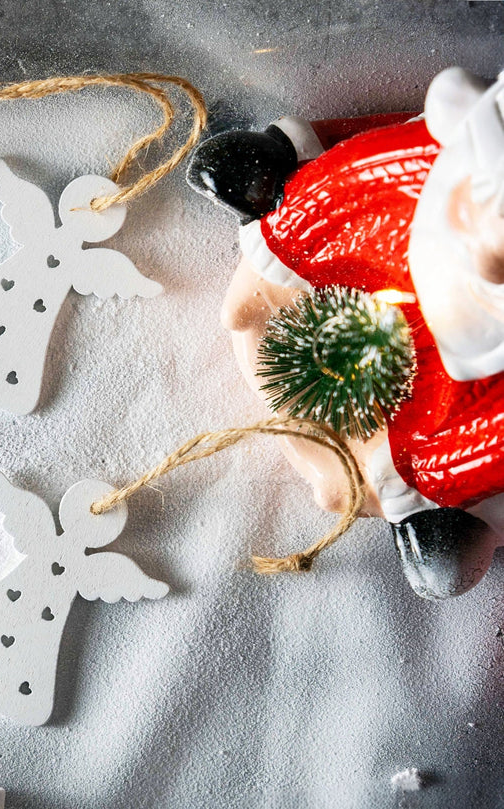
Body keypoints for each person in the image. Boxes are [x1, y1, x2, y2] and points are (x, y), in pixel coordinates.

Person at [187, 67, 504, 599]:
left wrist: (415, 478)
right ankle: (280, 194)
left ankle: (424, 506)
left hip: (470, 383)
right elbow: (371, 181)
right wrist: (288, 211)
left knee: (442, 453)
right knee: (333, 219)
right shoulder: (440, 179)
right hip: (405, 219)